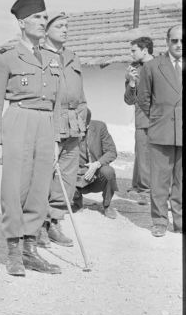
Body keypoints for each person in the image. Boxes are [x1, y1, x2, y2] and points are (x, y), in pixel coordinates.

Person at [0, 0, 61, 277]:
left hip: (45, 124)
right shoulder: (7, 59)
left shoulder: (53, 59)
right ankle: (14, 252)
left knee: (40, 188)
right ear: (21, 22)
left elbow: (59, 101)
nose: (43, 22)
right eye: (37, 18)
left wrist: (55, 139)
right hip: (18, 119)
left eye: (44, 17)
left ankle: (31, 250)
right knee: (14, 188)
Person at [39, 12, 87, 249]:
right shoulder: (38, 56)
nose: (65, 29)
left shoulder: (72, 57)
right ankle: (37, 226)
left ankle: (55, 222)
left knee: (66, 178)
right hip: (50, 122)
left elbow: (81, 96)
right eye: (59, 26)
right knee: (43, 176)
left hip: (73, 125)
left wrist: (82, 116)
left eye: (67, 26)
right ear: (46, 30)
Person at [138, 25, 182, 237]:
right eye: (174, 40)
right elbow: (143, 98)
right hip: (161, 130)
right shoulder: (153, 66)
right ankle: (159, 221)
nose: (179, 44)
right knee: (160, 181)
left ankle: (180, 221)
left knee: (181, 181)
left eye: (182, 40)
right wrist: (158, 118)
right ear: (167, 42)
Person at [73, 109, 118, 218]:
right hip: (74, 175)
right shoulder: (67, 130)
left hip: (95, 175)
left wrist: (96, 164)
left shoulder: (99, 127)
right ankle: (76, 203)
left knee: (109, 172)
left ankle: (107, 205)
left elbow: (112, 151)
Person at [124, 36, 154, 193]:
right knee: (141, 151)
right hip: (143, 119)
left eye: (134, 50)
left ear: (145, 50)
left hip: (162, 119)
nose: (131, 54)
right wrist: (132, 82)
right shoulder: (133, 69)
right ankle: (142, 187)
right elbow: (129, 100)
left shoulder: (162, 66)